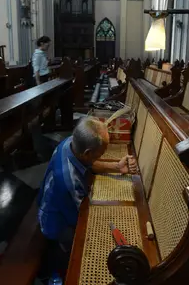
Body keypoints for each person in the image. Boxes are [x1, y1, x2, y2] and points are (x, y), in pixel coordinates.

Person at [38, 117, 137, 281]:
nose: (104, 154)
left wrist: (117, 167)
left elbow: (87, 163)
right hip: (54, 220)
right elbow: (82, 221)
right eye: (101, 152)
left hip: (55, 201)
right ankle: (59, 273)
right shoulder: (67, 181)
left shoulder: (71, 142)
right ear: (88, 153)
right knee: (79, 251)